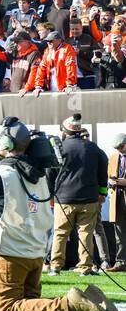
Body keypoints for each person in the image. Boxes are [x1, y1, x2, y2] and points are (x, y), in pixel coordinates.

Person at [0, 119, 115, 311]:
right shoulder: (41, 176)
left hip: (10, 253)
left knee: (8, 307)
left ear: (7, 144)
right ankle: (90, 297)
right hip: (35, 254)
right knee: (29, 301)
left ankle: (71, 305)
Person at [49, 114, 109, 276]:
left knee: (60, 233)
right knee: (86, 234)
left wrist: (50, 196)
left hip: (64, 199)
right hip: (89, 199)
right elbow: (103, 171)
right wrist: (102, 192)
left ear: (65, 130)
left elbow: (50, 173)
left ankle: (55, 266)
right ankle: (85, 267)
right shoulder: (93, 148)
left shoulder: (60, 148)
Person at [107, 133, 126, 272]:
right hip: (117, 200)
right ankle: (121, 263)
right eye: (117, 148)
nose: (119, 149)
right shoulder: (113, 158)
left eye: (121, 147)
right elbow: (108, 176)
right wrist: (110, 182)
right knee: (119, 233)